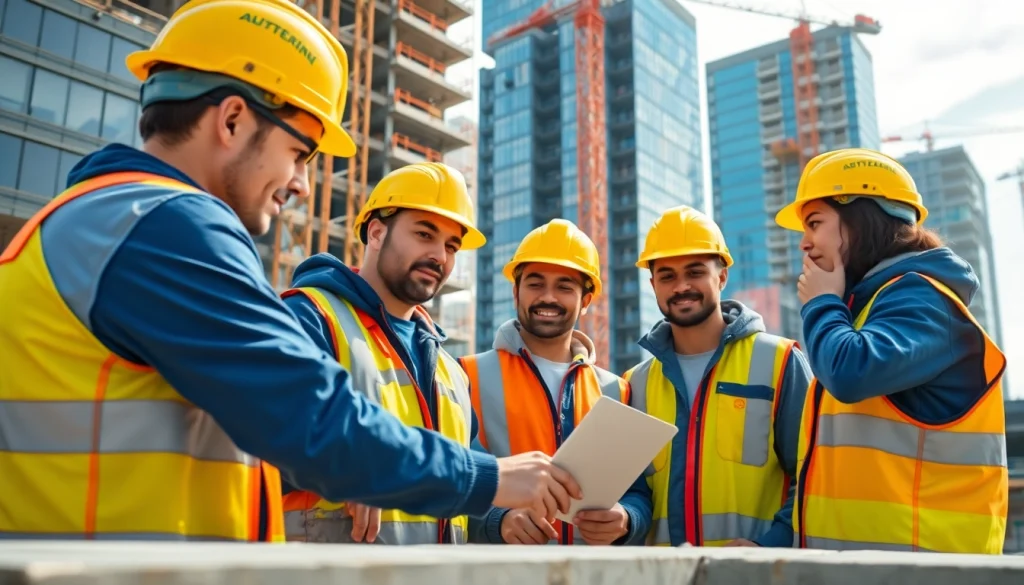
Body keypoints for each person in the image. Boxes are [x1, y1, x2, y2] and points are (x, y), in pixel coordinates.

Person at [0, 0, 578, 542]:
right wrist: (489, 477)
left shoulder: (100, 219)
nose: (301, 183)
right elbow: (311, 420)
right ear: (231, 120)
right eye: (299, 152)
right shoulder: (164, 226)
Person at [776, 148, 1008, 554]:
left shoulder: (922, 298)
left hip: (923, 568)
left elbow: (851, 372)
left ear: (862, 220)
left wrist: (821, 303)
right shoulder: (869, 311)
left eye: (814, 223)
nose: (804, 244)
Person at [279, 162, 488, 544]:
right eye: (425, 234)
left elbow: (467, 474)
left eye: (451, 246)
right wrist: (349, 468)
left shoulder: (449, 368)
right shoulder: (311, 318)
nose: (439, 255)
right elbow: (264, 439)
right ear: (376, 232)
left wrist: (505, 516)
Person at [623, 205, 812, 548]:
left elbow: (812, 473)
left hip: (756, 576)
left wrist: (770, 546)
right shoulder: (634, 384)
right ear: (653, 285)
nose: (681, 286)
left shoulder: (781, 362)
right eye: (667, 276)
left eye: (695, 272)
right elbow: (634, 493)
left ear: (721, 276)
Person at [458, 219, 651, 546]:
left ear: (586, 300)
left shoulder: (616, 390)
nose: (548, 297)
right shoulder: (465, 375)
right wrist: (497, 521)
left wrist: (627, 519)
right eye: (535, 283)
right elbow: (448, 479)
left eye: (564, 286)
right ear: (516, 290)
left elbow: (639, 492)